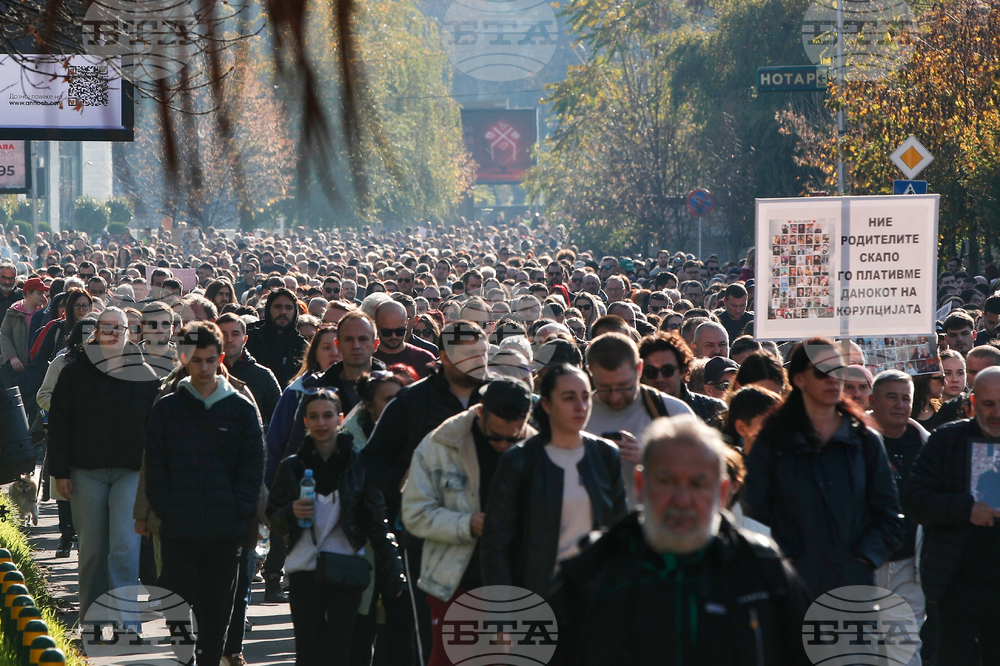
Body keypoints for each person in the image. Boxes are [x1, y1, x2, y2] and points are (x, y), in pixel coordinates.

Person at [551, 415, 812, 666]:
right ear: (641, 485)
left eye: (698, 484)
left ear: (722, 492)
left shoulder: (763, 573)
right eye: (666, 481)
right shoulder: (592, 573)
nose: (682, 500)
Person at [360, 321, 489, 664]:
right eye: (466, 354)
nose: (476, 361)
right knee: (433, 642)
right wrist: (404, 480)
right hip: (429, 538)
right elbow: (372, 460)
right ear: (443, 356)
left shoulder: (496, 397)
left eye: (481, 353)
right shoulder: (412, 401)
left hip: (488, 537)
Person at [741, 338, 904, 601]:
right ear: (799, 379)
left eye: (838, 370)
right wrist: (785, 559)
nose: (832, 379)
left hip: (853, 591)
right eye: (821, 372)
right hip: (791, 592)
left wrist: (862, 559)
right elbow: (753, 513)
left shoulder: (864, 440)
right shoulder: (773, 441)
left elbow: (889, 516)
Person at [144, 322, 264, 666]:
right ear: (185, 359)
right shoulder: (167, 407)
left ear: (220, 358)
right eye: (196, 360)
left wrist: (239, 510)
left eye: (211, 360)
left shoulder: (240, 408)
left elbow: (253, 465)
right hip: (179, 526)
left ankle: (210, 659)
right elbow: (155, 465)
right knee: (177, 603)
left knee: (217, 608)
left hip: (224, 528)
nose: (204, 368)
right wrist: (165, 508)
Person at [267, 388, 407, 666]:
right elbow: (273, 516)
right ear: (305, 422)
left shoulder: (359, 465)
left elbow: (377, 523)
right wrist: (291, 512)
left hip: (346, 567)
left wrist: (395, 572)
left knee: (340, 649)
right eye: (313, 416)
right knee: (308, 650)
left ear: (340, 419)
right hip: (303, 567)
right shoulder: (292, 466)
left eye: (328, 415)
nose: (321, 423)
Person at [401, 379, 535, 666]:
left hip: (515, 589)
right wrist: (467, 525)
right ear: (480, 413)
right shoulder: (440, 443)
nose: (503, 445)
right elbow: (413, 513)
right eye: (495, 437)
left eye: (513, 439)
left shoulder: (538, 448)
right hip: (454, 584)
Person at [48, 307, 160, 622]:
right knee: (93, 552)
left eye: (119, 328)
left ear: (129, 332)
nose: (113, 334)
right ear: (96, 332)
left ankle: (127, 625)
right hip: (86, 472)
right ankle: (94, 624)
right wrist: (60, 472)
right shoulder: (74, 372)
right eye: (107, 328)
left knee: (125, 548)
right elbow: (59, 424)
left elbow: (156, 429)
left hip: (131, 473)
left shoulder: (145, 374)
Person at [482, 364, 627, 595]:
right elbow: (496, 542)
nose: (580, 407)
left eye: (585, 397)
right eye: (569, 398)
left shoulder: (606, 454)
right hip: (536, 594)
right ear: (547, 404)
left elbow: (620, 531)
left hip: (594, 593)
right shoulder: (520, 460)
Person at [903, 366, 1000, 666]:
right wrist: (965, 509)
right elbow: (914, 499)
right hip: (956, 581)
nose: (997, 413)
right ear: (973, 403)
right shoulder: (947, 440)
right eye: (989, 404)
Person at [584, 332, 694, 507]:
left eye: (623, 386)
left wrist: (649, 460)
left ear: (639, 369)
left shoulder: (673, 412)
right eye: (604, 387)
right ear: (590, 372)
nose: (615, 396)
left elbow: (701, 474)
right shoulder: (577, 414)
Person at [868, 370, 928, 665]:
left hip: (909, 565)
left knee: (904, 648)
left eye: (906, 398)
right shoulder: (851, 443)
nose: (900, 405)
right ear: (873, 401)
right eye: (891, 397)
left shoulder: (928, 446)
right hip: (864, 562)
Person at [637, 332, 726, 426]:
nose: (659, 378)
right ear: (641, 374)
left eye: (668, 370)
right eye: (651, 372)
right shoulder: (632, 412)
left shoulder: (713, 410)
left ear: (682, 371)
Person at [218, 312, 281, 430]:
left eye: (235, 334)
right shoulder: (203, 373)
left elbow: (280, 421)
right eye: (223, 334)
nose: (229, 340)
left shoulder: (264, 376)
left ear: (245, 339)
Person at [245, 287, 308, 388]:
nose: (283, 312)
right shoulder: (251, 340)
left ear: (295, 311)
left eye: (289, 308)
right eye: (277, 307)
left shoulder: (303, 348)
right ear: (269, 309)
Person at [0, 276, 48, 386]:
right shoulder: (13, 312)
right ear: (28, 294)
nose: (43, 296)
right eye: (39, 293)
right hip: (14, 367)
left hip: (35, 367)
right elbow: (4, 335)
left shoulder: (43, 314)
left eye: (43, 293)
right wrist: (12, 357)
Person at [372, 300, 436, 378]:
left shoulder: (425, 359)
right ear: (376, 326)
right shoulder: (367, 359)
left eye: (400, 331)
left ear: (407, 323)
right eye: (387, 332)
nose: (394, 336)